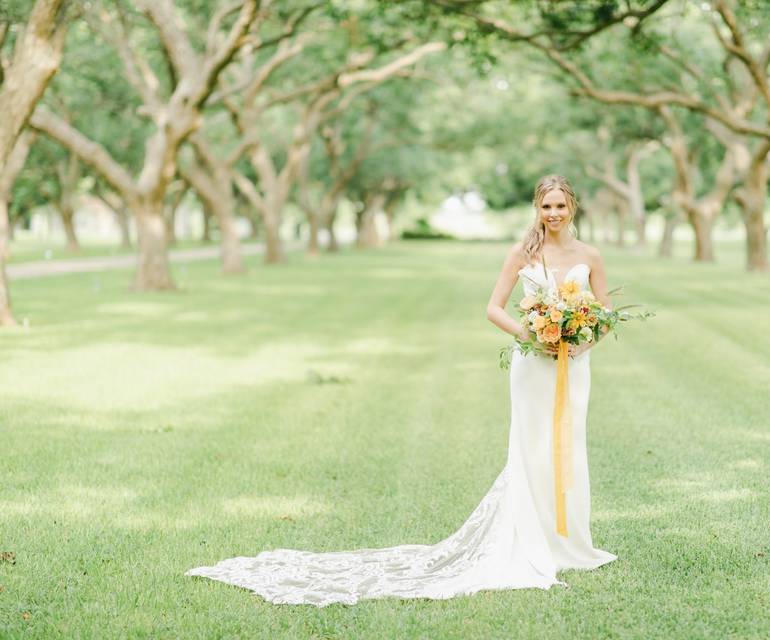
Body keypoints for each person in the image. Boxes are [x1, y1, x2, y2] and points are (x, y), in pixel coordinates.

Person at [185, 174, 617, 607]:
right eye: (547, 207)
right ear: (537, 209)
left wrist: (580, 344)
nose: (554, 214)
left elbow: (605, 315)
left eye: (561, 206)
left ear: (572, 207)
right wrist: (531, 335)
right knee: (531, 448)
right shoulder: (524, 254)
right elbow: (493, 308)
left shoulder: (589, 255)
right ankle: (532, 542)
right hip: (532, 365)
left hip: (574, 367)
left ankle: (570, 543)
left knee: (568, 445)